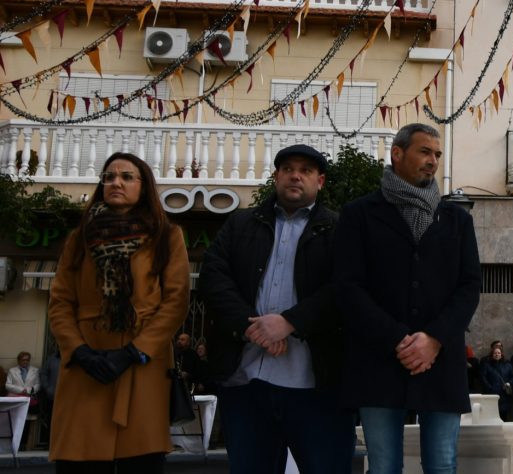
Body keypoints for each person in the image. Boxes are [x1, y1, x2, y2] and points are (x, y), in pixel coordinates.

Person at [334, 123, 482, 474]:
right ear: (396, 154)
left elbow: (470, 285)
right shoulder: (359, 215)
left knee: (442, 464)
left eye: (437, 154)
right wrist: (397, 339)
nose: (433, 161)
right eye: (424, 151)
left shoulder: (457, 220)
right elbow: (348, 286)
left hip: (440, 360)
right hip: (378, 359)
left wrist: (433, 339)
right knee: (383, 466)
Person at [198, 144, 352, 474]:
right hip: (246, 384)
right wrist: (250, 326)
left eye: (306, 170)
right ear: (276, 176)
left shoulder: (340, 230)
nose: (296, 175)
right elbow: (212, 277)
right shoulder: (240, 224)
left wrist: (290, 323)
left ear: (320, 181)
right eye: (288, 169)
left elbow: (346, 289)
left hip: (317, 386)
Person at [47, 153, 190, 472]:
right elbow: (60, 302)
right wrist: (79, 352)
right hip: (87, 368)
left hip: (141, 366)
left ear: (144, 186)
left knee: (139, 460)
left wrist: (132, 353)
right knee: (79, 460)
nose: (116, 182)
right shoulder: (79, 238)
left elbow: (175, 302)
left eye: (127, 177)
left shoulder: (167, 236)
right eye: (109, 176)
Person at [479, 346, 513, 421]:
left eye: (498, 353)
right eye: (495, 353)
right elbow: (483, 377)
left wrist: (509, 383)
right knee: (492, 416)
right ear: (492, 354)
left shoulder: (507, 365)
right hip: (491, 394)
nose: (497, 354)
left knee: (503, 415)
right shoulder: (487, 365)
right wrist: (489, 388)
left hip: (504, 394)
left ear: (501, 354)